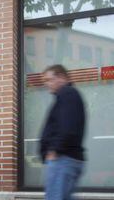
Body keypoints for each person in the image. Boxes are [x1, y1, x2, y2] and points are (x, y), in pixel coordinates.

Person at [40, 65, 86, 200]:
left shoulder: (67, 93)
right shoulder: (68, 95)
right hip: (65, 158)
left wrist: (54, 150)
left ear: (61, 77)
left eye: (49, 80)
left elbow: (68, 126)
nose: (47, 84)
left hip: (62, 159)